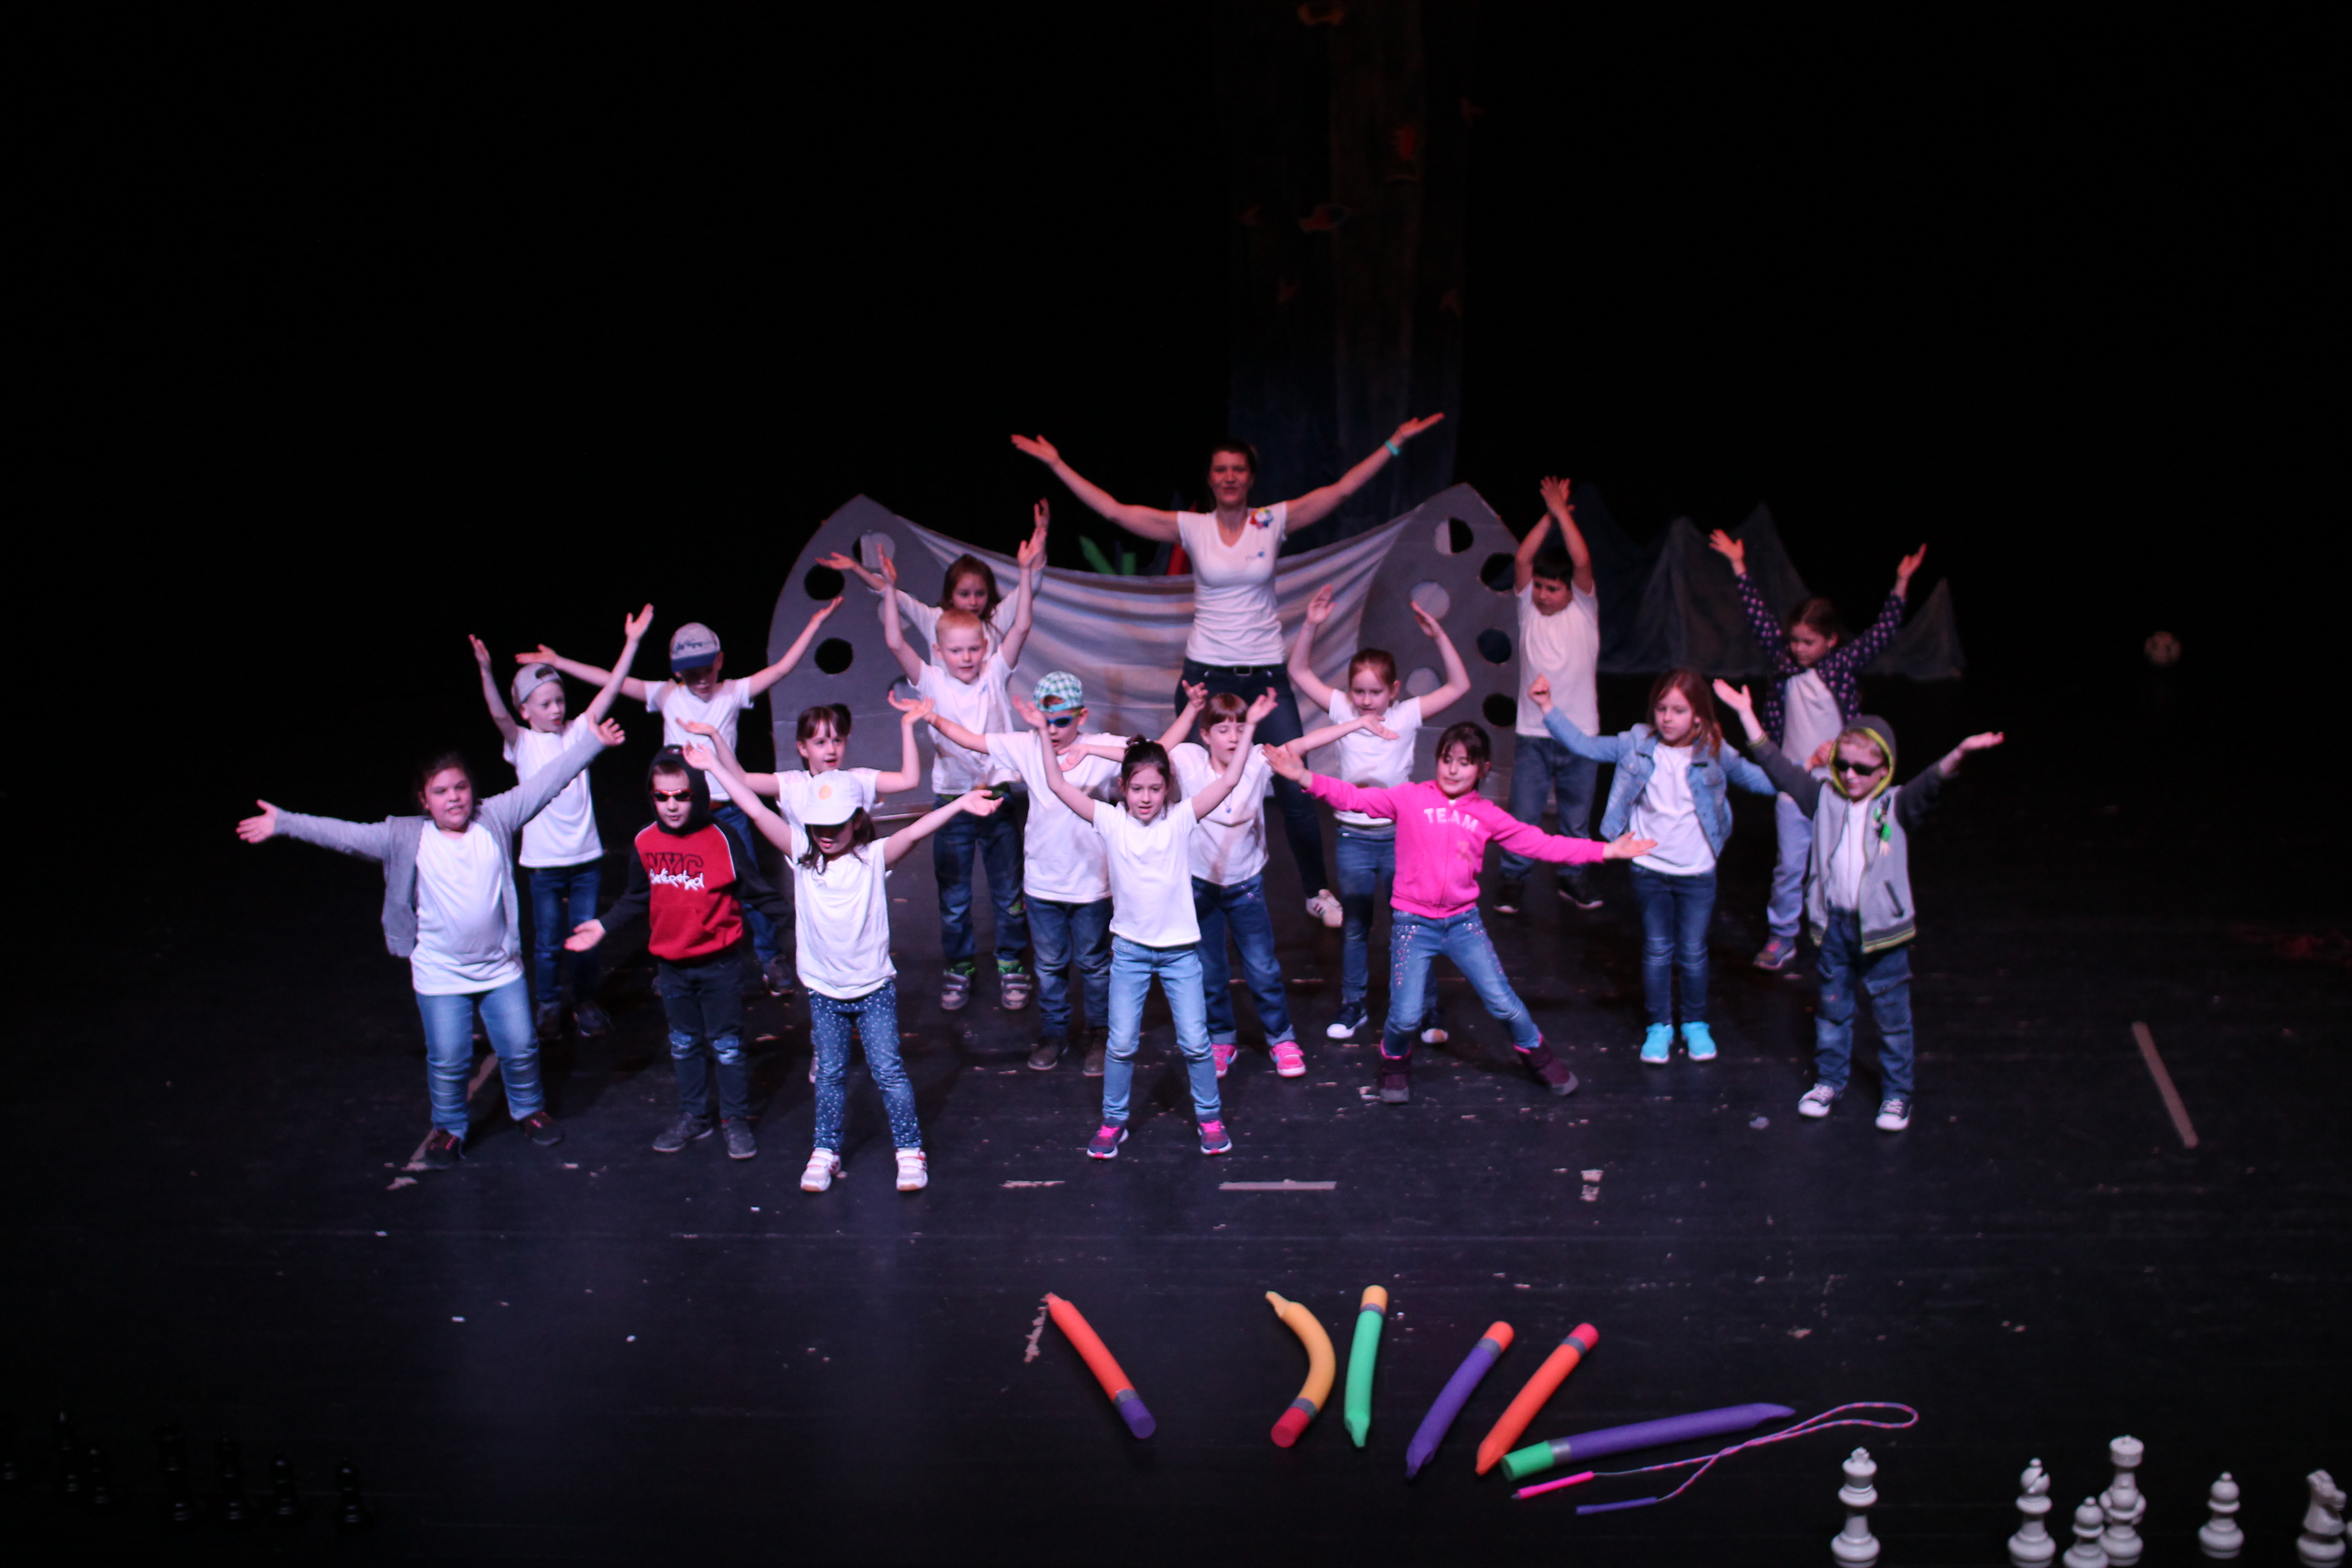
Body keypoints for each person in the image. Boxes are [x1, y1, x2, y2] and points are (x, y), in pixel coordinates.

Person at [1011, 418, 1446, 933]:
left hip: (1265, 674)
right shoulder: (1193, 528)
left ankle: (1316, 891)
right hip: (1207, 675)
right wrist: (1057, 462)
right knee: (1178, 779)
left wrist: (1395, 441)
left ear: (1250, 477)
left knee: (1292, 781)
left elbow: (1341, 490)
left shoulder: (1271, 521)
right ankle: (1178, 885)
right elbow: (1115, 511)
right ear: (1211, 478)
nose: (1230, 477)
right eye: (1221, 470)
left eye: (1238, 469)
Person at [235, 698, 628, 1169]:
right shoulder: (405, 837)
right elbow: (344, 834)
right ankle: (449, 1128)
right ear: (424, 800)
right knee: (449, 1056)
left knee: (521, 1046)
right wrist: (285, 823)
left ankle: (529, 1110)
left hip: (498, 968)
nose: (454, 798)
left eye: (461, 787)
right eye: (441, 791)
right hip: (441, 972)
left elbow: (545, 783)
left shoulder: (495, 818)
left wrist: (590, 745)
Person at [676, 725, 1005, 1193]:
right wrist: (712, 766)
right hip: (825, 992)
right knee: (829, 1075)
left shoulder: (873, 858)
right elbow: (754, 807)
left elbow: (914, 831)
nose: (826, 835)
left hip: (872, 989)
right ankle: (825, 1150)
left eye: (836, 825)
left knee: (888, 1072)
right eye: (819, 825)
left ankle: (909, 1150)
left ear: (857, 821)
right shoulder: (802, 854)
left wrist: (960, 804)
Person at [1261, 723, 1650, 1104]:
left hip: (1463, 925)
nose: (1453, 769)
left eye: (1465, 763)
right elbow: (1355, 798)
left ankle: (1541, 1058)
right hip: (1414, 925)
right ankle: (1393, 1062)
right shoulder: (1411, 798)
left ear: (1482, 769)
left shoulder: (1487, 814)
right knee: (1405, 1016)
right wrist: (1304, 776)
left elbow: (1540, 844)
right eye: (1447, 759)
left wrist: (1605, 851)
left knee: (1503, 1002)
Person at [1714, 679, 2003, 1132]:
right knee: (1832, 1012)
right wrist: (1746, 714)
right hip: (1835, 928)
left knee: (1892, 1019)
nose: (1850, 776)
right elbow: (1777, 767)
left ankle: (1897, 1095)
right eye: (1843, 765)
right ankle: (1829, 1082)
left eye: (1862, 769)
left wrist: (1961, 753)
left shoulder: (1896, 805)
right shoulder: (1824, 798)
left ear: (1884, 769)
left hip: (1883, 933)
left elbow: (1932, 783)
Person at [519, 603, 845, 998]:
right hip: (681, 815)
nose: (701, 680)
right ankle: (674, 963)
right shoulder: (666, 695)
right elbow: (613, 681)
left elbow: (780, 669)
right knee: (674, 892)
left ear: (720, 661)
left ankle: (771, 959)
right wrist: (559, 663)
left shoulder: (734, 691)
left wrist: (814, 622)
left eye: (707, 669)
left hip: (727, 812)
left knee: (752, 887)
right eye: (691, 673)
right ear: (677, 672)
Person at [1022, 693, 1274, 1159]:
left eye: (1155, 790)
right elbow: (1057, 783)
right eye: (1137, 789)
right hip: (1131, 955)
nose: (1145, 798)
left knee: (1196, 1043)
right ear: (1122, 787)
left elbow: (1231, 778)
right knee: (1120, 1044)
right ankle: (1113, 1122)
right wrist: (1042, 731)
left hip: (1180, 956)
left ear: (1167, 788)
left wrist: (1253, 726)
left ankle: (1210, 1117)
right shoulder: (1110, 821)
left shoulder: (1180, 820)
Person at [1529, 668, 1778, 1066]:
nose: (1667, 718)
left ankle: (1695, 1022)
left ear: (1698, 715)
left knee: (1693, 952)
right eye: (1662, 708)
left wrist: (1809, 771)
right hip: (1649, 870)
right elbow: (1585, 745)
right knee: (1658, 950)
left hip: (1696, 872)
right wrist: (1547, 706)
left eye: (1678, 710)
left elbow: (1761, 781)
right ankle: (1659, 1025)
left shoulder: (1714, 750)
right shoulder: (1636, 744)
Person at [1708, 528, 1928, 972]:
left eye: (1808, 642)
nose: (1797, 649)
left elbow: (1883, 633)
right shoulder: (1785, 663)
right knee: (1790, 866)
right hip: (1795, 780)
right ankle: (1782, 935)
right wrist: (1738, 565)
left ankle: (1849, 931)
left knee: (1842, 864)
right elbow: (1758, 618)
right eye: (1794, 640)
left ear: (1830, 641)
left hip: (1841, 785)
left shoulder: (1842, 665)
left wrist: (1902, 583)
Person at [563, 747, 792, 1161]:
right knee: (684, 1044)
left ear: (697, 793)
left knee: (727, 1046)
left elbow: (758, 893)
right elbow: (637, 896)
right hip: (671, 968)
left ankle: (735, 1120)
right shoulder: (646, 841)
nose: (671, 805)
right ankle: (694, 1116)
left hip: (719, 965)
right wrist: (603, 925)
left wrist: (808, 926)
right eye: (662, 796)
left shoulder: (723, 837)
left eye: (681, 796)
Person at [1287, 584, 1472, 1043]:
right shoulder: (1341, 709)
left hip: (1399, 838)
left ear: (1393, 691)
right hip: (1353, 839)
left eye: (1375, 692)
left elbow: (1459, 686)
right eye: (1359, 692)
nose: (1366, 701)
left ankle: (1427, 1009)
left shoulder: (1405, 714)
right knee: (1356, 927)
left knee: (1411, 927)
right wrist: (1310, 624)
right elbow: (1298, 671)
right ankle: (1353, 1005)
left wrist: (1438, 636)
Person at [922, 670, 1127, 1076]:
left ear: (1082, 716)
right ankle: (1054, 1034)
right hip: (1043, 886)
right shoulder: (1027, 746)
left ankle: (1100, 1034)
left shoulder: (1098, 748)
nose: (1052, 731)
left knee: (1094, 965)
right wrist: (931, 717)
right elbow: (973, 740)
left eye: (1062, 722)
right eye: (1044, 723)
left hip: (1091, 885)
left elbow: (1150, 752)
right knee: (1049, 966)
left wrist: (1091, 750)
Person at [469, 605, 652, 1042]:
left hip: (585, 859)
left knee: (585, 936)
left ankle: (585, 1002)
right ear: (526, 711)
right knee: (549, 941)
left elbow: (611, 688)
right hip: (544, 864)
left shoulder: (578, 732)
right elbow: (498, 715)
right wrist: (486, 672)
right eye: (545, 704)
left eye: (559, 701)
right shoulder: (523, 743)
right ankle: (549, 1004)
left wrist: (632, 642)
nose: (556, 709)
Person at [878, 527, 1042, 1011]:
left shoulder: (994, 672)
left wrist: (1026, 573)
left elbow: (1022, 627)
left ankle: (1011, 964)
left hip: (997, 797)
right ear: (939, 652)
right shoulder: (930, 680)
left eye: (974, 649)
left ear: (985, 648)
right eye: (956, 651)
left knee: (1008, 892)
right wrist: (889, 588)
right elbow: (894, 641)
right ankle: (960, 966)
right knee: (953, 898)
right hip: (952, 803)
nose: (967, 658)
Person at [1159, 683, 1300, 1080]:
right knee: (1209, 968)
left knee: (1262, 966)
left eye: (1240, 728)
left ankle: (1281, 1037)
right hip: (1200, 884)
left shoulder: (1256, 759)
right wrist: (1191, 710)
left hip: (1245, 885)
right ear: (1205, 736)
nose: (1233, 737)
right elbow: (1153, 753)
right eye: (1223, 730)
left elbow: (1305, 743)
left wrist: (1357, 723)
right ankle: (1221, 1037)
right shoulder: (1189, 760)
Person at [1497, 477, 1604, 914]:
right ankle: (1513, 878)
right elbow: (1523, 558)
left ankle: (1573, 878)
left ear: (1570, 591)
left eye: (1552, 588)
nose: (1542, 594)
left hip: (1580, 735)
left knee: (1575, 817)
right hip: (1534, 734)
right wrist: (1548, 516)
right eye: (1539, 586)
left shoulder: (1584, 608)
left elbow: (1582, 561)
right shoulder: (1528, 609)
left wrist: (1562, 513)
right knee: (1524, 814)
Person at [820, 503, 1050, 655]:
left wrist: (1041, 536)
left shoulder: (996, 620)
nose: (973, 602)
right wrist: (856, 568)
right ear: (950, 596)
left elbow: (1031, 585)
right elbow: (891, 594)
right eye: (964, 594)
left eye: (980, 594)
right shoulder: (935, 620)